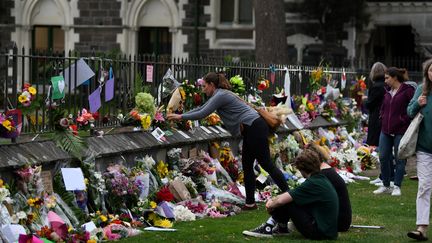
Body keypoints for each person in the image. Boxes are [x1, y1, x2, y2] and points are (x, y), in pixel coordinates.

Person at [167, 72, 288, 209]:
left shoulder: (220, 95)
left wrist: (180, 117)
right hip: (252, 128)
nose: (203, 89)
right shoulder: (219, 94)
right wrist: (181, 115)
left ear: (212, 85)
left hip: (254, 127)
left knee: (266, 164)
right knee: (247, 165)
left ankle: (289, 195)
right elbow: (201, 108)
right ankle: (250, 203)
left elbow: (203, 113)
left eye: (205, 86)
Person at [242, 149, 339, 240]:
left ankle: (268, 227)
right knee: (290, 198)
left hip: (319, 232)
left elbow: (282, 199)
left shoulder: (313, 183)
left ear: (302, 168)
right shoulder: (321, 179)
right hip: (328, 231)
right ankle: (281, 228)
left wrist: (271, 203)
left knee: (288, 201)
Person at [373, 67, 415, 196]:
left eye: (387, 78)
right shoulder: (387, 92)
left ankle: (397, 186)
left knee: (400, 158)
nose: (385, 81)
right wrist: (382, 117)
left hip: (400, 130)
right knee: (383, 156)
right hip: (385, 130)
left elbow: (413, 108)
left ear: (395, 77)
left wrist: (403, 119)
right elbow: (384, 108)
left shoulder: (408, 91)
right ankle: (386, 185)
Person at [407, 59, 432, 241]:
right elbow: (409, 112)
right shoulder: (421, 90)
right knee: (424, 186)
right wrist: (418, 104)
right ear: (427, 73)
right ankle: (421, 228)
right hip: (424, 148)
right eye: (431, 71)